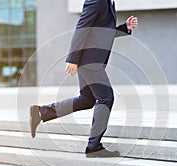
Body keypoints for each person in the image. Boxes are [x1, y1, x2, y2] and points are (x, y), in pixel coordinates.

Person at [30, 0, 138, 157]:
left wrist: (124, 28)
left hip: (90, 60)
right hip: (90, 61)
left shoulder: (108, 2)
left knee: (87, 99)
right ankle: (94, 146)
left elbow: (102, 33)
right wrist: (73, 58)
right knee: (106, 98)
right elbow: (82, 27)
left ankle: (40, 112)